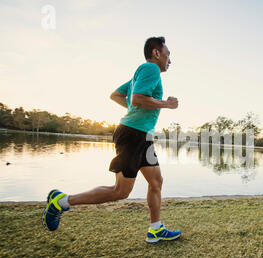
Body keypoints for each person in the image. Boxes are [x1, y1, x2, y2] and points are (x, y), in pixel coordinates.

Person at [42, 36, 181, 243]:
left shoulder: (140, 74)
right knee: (121, 191)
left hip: (142, 137)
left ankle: (155, 229)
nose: (170, 59)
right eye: (168, 54)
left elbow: (116, 95)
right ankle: (61, 202)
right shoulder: (150, 69)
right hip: (133, 135)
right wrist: (165, 104)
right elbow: (136, 99)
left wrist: (137, 109)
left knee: (156, 181)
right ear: (156, 53)